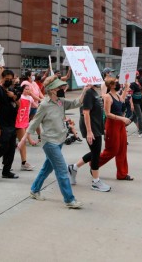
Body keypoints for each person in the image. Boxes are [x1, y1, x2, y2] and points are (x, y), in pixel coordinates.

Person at [19, 77, 89, 208]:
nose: (62, 89)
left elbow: (77, 102)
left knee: (47, 168)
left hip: (60, 140)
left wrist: (84, 90)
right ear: (51, 90)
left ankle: (34, 190)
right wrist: (23, 139)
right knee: (62, 170)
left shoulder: (61, 101)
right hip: (49, 142)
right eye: (59, 88)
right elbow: (34, 122)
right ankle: (69, 200)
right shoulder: (44, 105)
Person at [67, 83, 111, 191]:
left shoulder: (94, 92)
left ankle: (74, 167)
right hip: (90, 127)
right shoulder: (88, 93)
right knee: (96, 153)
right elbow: (86, 113)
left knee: (95, 152)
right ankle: (95, 182)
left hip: (96, 125)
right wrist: (89, 131)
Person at [96, 77, 134, 180]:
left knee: (122, 149)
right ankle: (94, 164)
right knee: (112, 150)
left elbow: (122, 100)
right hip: (112, 124)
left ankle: (122, 174)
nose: (118, 84)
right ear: (111, 85)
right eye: (116, 83)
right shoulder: (107, 97)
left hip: (120, 124)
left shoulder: (117, 95)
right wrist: (122, 118)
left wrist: (126, 88)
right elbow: (107, 114)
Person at [128, 73, 142, 138]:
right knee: (140, 116)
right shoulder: (132, 84)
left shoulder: (138, 83)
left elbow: (140, 93)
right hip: (135, 103)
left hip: (139, 102)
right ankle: (141, 132)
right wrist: (131, 104)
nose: (137, 75)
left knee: (133, 117)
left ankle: (122, 125)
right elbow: (130, 95)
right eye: (136, 74)